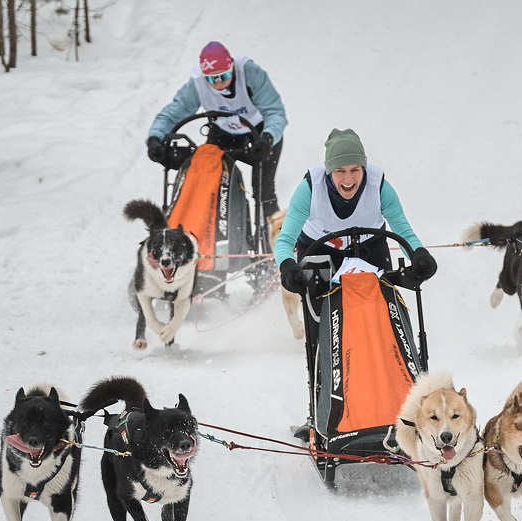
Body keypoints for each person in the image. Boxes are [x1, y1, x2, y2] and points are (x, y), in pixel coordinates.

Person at [273, 128, 437, 439]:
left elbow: (403, 230)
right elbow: (285, 240)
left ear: (363, 167)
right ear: (329, 171)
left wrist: (419, 254)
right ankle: (321, 413)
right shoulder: (310, 187)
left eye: (355, 170)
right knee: (322, 335)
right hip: (320, 251)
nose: (348, 179)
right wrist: (288, 267)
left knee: (380, 327)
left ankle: (393, 408)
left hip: (370, 247)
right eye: (340, 171)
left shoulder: (379, 184)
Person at [146, 41, 287, 219]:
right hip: (223, 131)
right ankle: (210, 229)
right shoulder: (197, 84)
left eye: (224, 76)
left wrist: (268, 137)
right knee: (207, 181)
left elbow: (275, 112)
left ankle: (275, 234)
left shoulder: (250, 72)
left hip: (259, 131)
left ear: (232, 67)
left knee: (263, 190)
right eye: (212, 79)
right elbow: (171, 115)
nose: (219, 83)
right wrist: (155, 138)